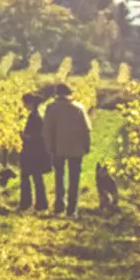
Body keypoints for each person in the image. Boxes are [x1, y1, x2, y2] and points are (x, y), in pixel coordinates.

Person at [48, 88, 92, 216]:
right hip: (76, 149)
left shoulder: (51, 108)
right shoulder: (79, 108)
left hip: (57, 148)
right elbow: (86, 129)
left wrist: (49, 146)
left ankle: (59, 205)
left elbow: (47, 129)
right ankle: (72, 209)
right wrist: (86, 145)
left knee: (59, 176)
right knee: (74, 178)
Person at [17, 90, 51, 212]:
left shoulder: (34, 117)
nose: (24, 106)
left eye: (25, 103)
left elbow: (37, 136)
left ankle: (27, 203)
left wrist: (24, 136)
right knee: (36, 178)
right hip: (36, 152)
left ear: (30, 103)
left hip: (32, 152)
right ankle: (41, 203)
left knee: (27, 177)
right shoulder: (36, 115)